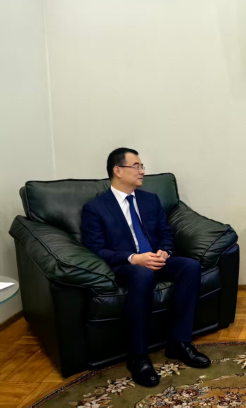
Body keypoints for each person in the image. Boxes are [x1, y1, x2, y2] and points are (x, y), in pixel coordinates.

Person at [81, 148, 210, 387]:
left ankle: (179, 343)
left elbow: (165, 233)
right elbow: (96, 249)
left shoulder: (150, 199)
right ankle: (138, 356)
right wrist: (134, 258)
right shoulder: (96, 208)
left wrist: (165, 251)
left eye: (142, 166)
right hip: (126, 265)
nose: (142, 171)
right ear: (118, 171)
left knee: (190, 266)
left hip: (155, 258)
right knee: (142, 275)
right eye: (137, 166)